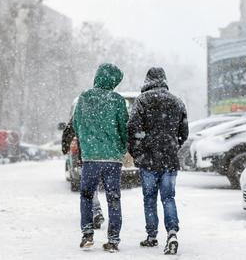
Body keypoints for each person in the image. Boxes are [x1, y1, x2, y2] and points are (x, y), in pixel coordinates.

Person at [127, 67, 188, 255]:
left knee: (149, 199)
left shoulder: (141, 101)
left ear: (147, 80)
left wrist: (138, 153)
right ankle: (172, 232)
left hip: (148, 160)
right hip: (169, 160)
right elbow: (184, 133)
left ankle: (152, 236)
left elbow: (132, 130)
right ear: (164, 79)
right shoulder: (177, 101)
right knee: (168, 197)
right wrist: (173, 145)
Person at [73, 63, 128, 253]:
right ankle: (113, 239)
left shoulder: (85, 97)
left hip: (91, 157)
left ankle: (87, 234)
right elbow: (124, 128)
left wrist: (86, 144)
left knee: (87, 195)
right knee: (113, 198)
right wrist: (121, 148)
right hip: (113, 159)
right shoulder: (117, 100)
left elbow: (76, 123)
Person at [61, 119, 105, 229]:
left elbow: (69, 130)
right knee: (100, 189)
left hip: (86, 156)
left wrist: (65, 147)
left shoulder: (82, 107)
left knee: (88, 188)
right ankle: (97, 212)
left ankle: (94, 213)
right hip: (104, 156)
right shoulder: (105, 107)